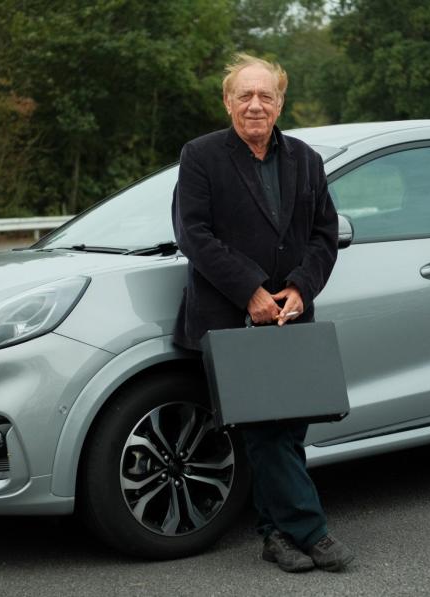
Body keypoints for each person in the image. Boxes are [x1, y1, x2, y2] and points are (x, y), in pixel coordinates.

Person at [171, 53, 353, 572]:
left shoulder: (306, 160)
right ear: (228, 101)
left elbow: (323, 235)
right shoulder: (200, 156)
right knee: (263, 429)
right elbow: (195, 235)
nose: (255, 105)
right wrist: (251, 289)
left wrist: (300, 287)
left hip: (292, 315)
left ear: (279, 103)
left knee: (289, 429)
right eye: (245, 95)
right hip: (232, 318)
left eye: (265, 96)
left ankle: (277, 536)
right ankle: (313, 532)